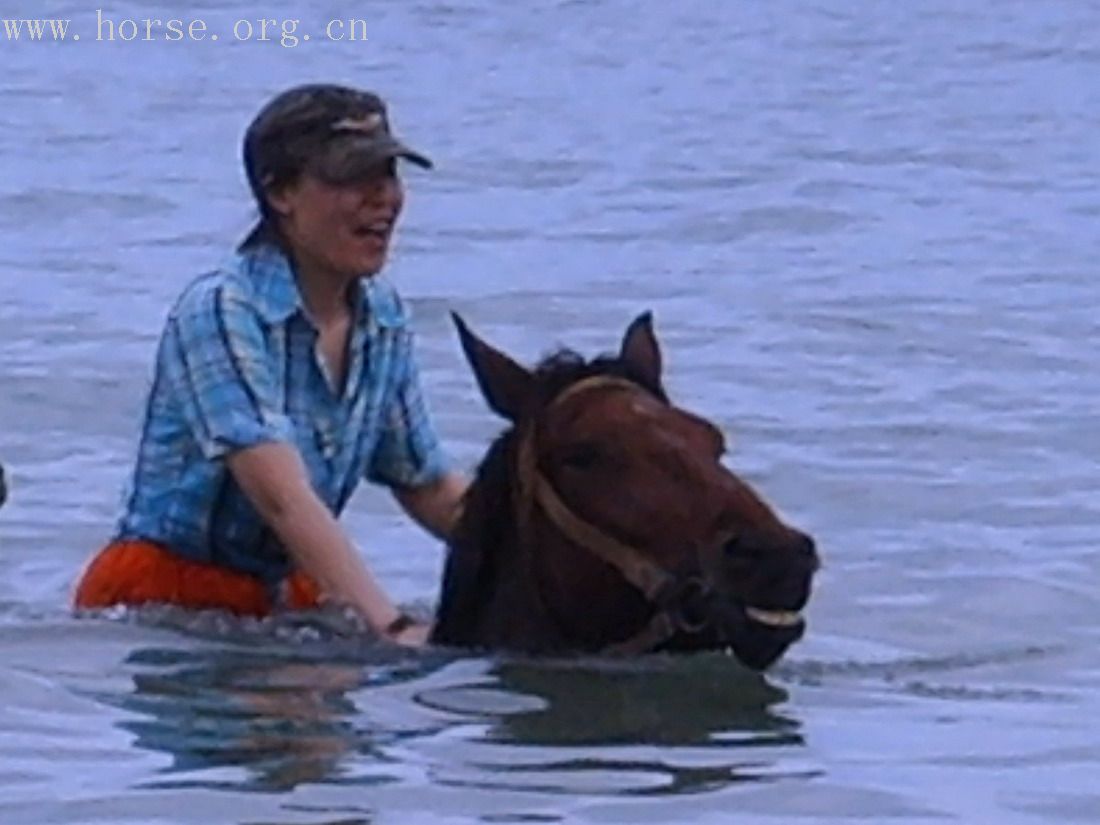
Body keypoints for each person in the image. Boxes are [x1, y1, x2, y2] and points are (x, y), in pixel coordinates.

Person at [72, 83, 468, 646]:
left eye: (388, 175)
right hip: (165, 605)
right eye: (352, 179)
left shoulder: (384, 317)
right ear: (280, 193)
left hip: (290, 598)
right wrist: (392, 626)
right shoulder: (220, 310)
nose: (382, 198)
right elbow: (282, 497)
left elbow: (429, 487)